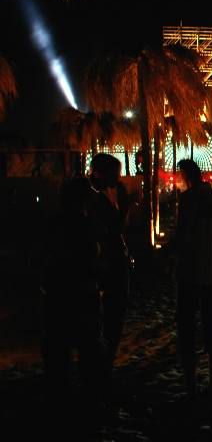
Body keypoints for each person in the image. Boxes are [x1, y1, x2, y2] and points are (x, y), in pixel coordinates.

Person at [174, 159, 212, 398]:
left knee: (187, 329)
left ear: (185, 176)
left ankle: (191, 384)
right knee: (211, 326)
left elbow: (183, 235)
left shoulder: (188, 200)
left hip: (190, 271)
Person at [41, 177, 104, 403]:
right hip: (81, 292)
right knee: (88, 346)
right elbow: (91, 258)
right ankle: (87, 396)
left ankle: (60, 394)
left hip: (58, 292)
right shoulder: (86, 225)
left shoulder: (53, 223)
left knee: (58, 348)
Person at [88, 153, 131, 396]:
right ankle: (103, 370)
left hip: (111, 263)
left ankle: (104, 366)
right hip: (107, 265)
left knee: (112, 316)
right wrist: (125, 208)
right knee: (110, 317)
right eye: (116, 173)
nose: (119, 177)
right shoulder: (96, 200)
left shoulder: (105, 195)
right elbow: (113, 229)